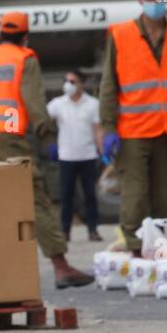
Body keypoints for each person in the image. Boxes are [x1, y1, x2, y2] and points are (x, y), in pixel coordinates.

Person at [0, 12, 93, 288]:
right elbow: (34, 101)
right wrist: (47, 136)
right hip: (7, 136)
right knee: (35, 197)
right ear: (25, 35)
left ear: (0, 34)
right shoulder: (24, 59)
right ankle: (61, 266)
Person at [98, 0, 167, 249]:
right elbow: (109, 84)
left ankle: (157, 248)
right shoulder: (120, 35)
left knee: (162, 195)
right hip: (133, 131)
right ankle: (134, 248)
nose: (156, 1)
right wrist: (108, 127)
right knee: (135, 194)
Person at [46, 69, 103, 242]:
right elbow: (44, 122)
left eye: (73, 81)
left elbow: (97, 130)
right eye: (66, 81)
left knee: (90, 195)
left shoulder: (93, 104)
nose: (68, 85)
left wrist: (102, 151)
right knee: (66, 196)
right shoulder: (57, 104)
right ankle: (65, 231)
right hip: (66, 157)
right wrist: (50, 143)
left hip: (87, 155)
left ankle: (93, 230)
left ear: (82, 84)